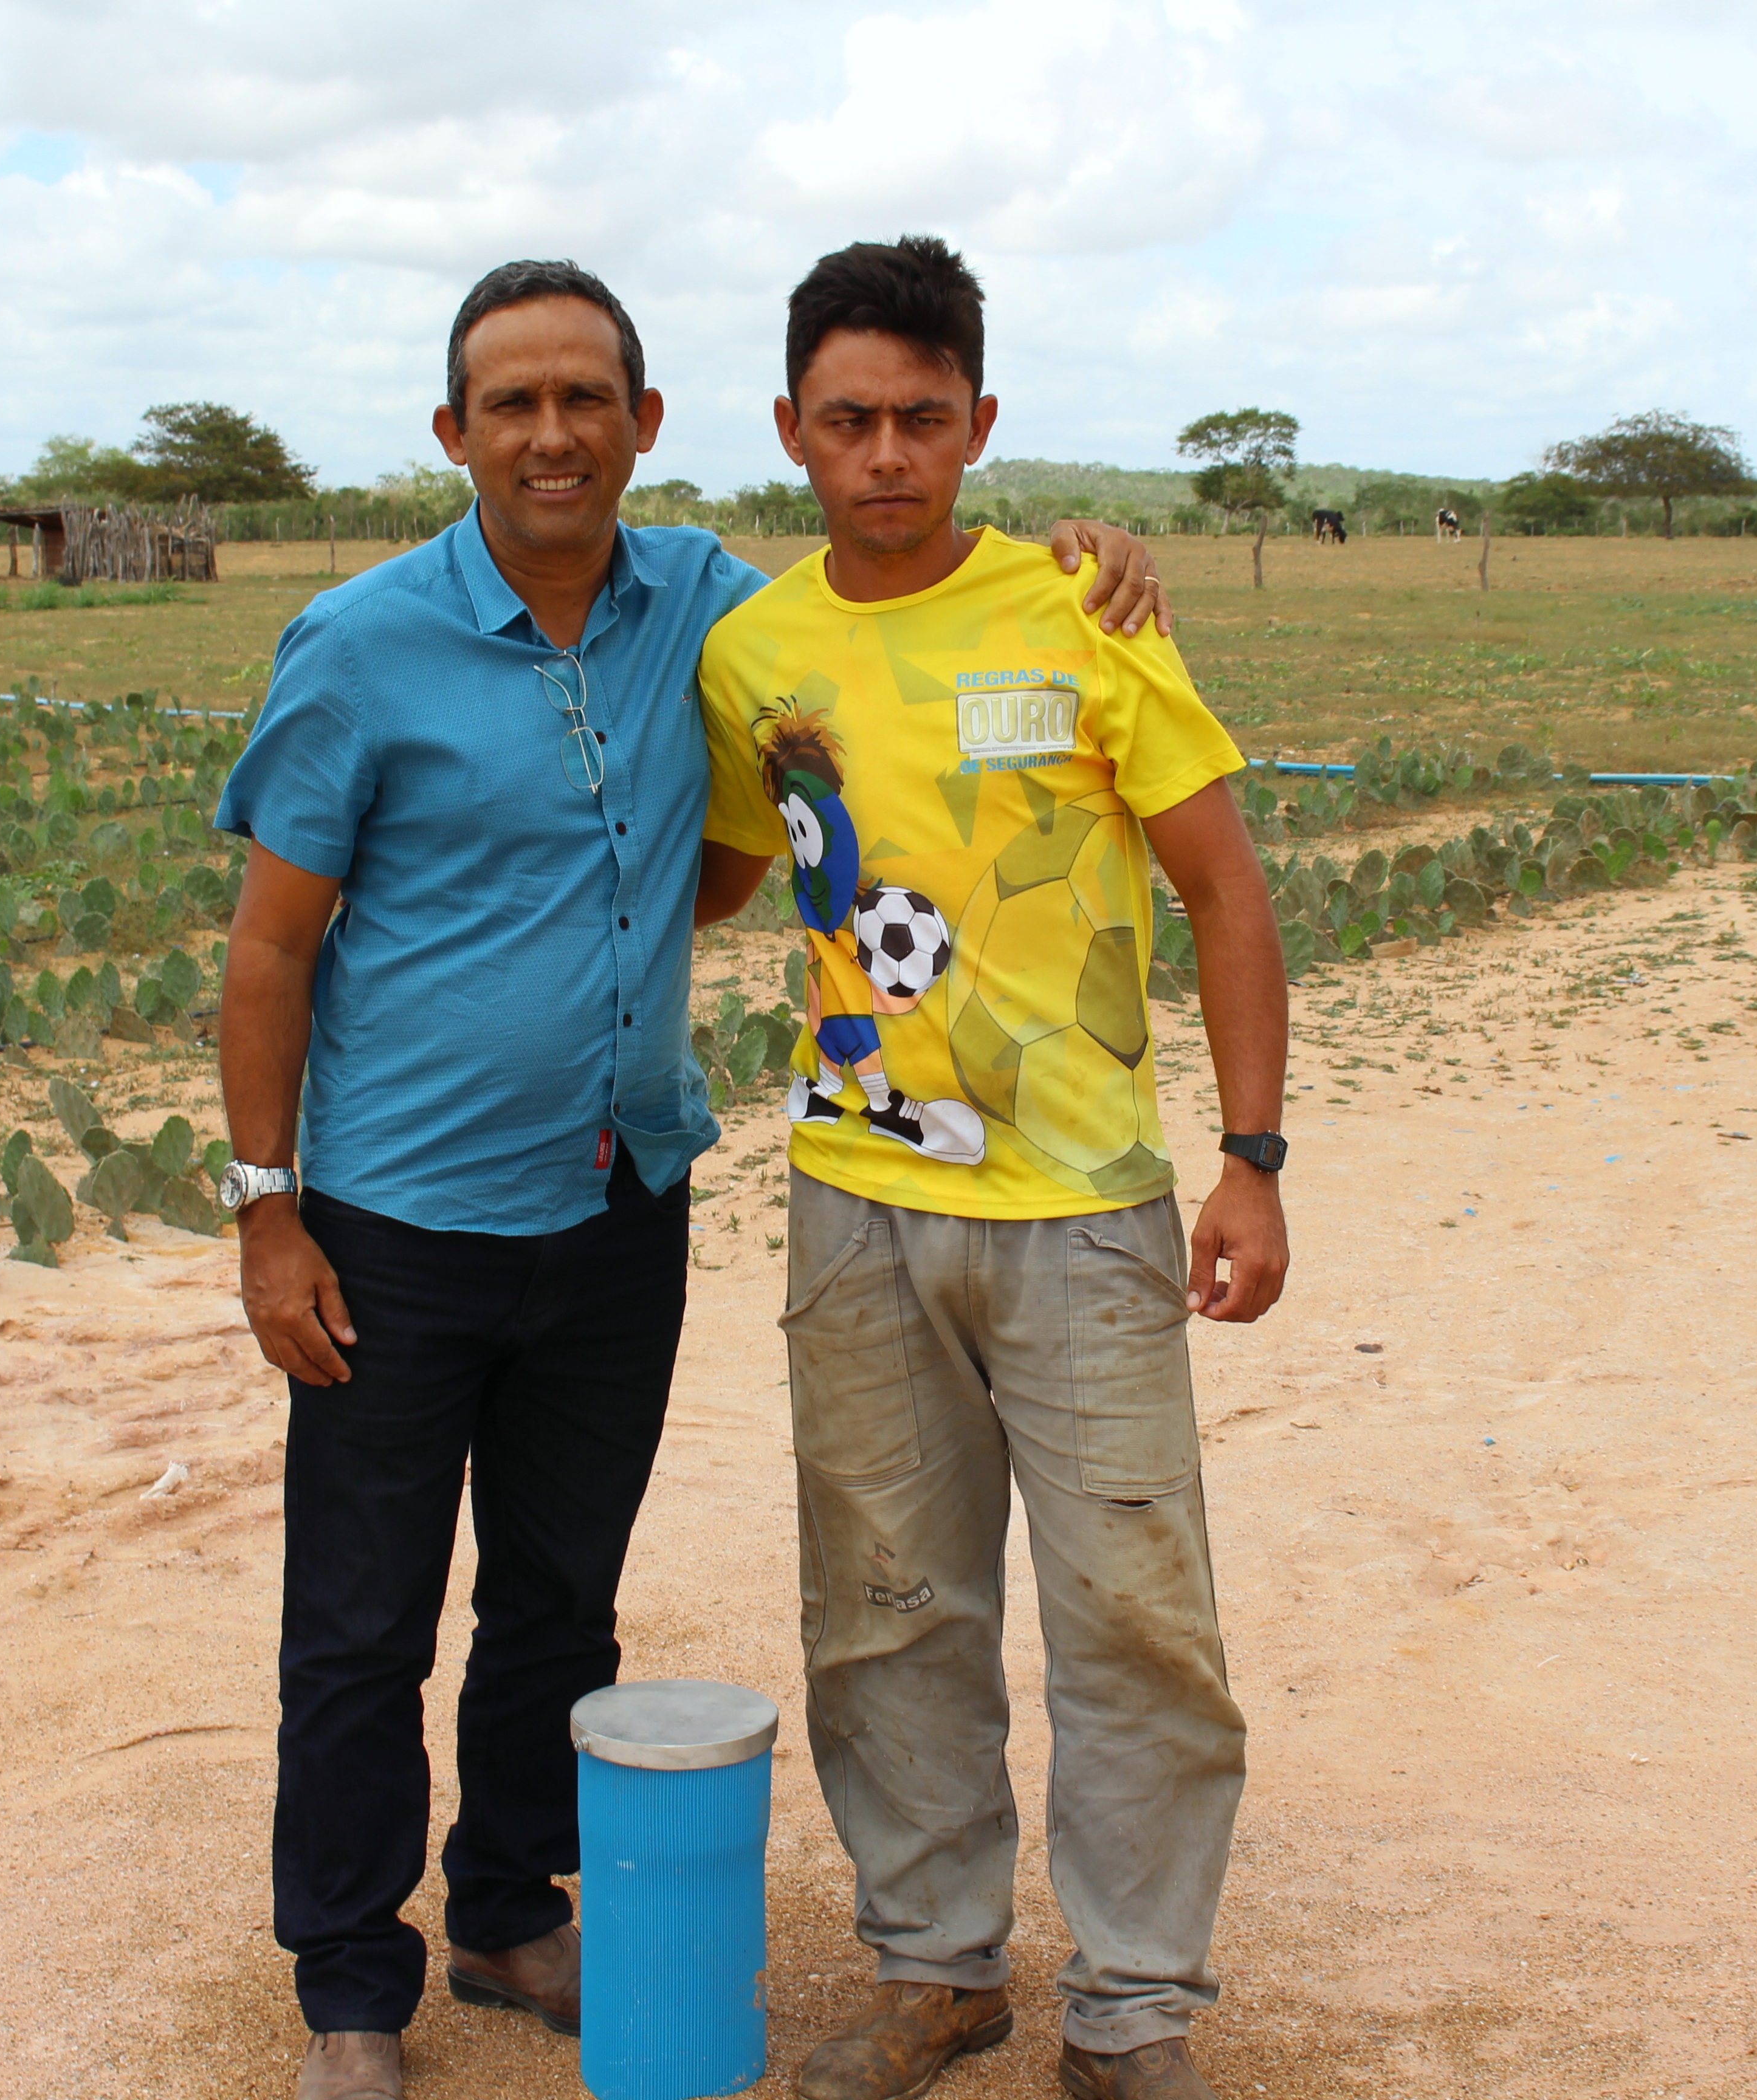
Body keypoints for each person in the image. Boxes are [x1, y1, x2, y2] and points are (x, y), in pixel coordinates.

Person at [211, 257, 1170, 2100]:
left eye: (590, 400)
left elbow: (890, 577)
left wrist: (1085, 552)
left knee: (560, 1596)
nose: (554, 434)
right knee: (359, 1616)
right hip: (396, 1224)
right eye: (514, 403)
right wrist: (270, 1212)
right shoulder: (358, 644)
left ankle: (501, 1902)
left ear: (648, 426)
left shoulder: (713, 613)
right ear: (454, 434)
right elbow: (270, 954)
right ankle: (350, 1978)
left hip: (618, 1199)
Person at [696, 236, 1293, 2100]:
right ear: (790, 429)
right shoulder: (750, 648)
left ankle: (1131, 2009)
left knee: (1137, 1614)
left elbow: (1223, 889)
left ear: (981, 426)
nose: (887, 454)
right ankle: (936, 1964)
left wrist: (1252, 1160)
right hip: (857, 1207)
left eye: (924, 421)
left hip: (1085, 1207)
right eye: (851, 421)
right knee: (886, 1606)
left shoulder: (1088, 614)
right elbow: (727, 866)